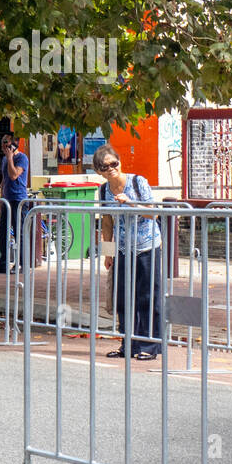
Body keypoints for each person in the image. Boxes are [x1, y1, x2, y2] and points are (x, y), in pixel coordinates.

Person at [96, 144, 165, 360]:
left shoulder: (137, 182)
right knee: (124, 298)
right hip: (124, 249)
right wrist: (108, 252)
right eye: (105, 167)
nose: (111, 169)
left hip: (146, 247)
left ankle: (150, 346)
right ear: (99, 171)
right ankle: (129, 345)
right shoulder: (104, 190)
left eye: (113, 164)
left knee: (147, 297)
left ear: (119, 162)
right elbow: (107, 222)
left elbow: (152, 214)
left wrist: (131, 203)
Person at [0, 131, 30, 274]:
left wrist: (10, 158)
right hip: (7, 200)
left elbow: (14, 175)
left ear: (15, 144)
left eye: (6, 142)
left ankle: (21, 264)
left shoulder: (22, 158)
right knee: (2, 232)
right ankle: (3, 263)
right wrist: (1, 200)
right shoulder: (4, 160)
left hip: (18, 200)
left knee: (19, 232)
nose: (3, 145)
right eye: (2, 142)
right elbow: (4, 180)